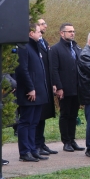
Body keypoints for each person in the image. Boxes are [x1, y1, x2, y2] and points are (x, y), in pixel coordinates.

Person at [15, 23, 49, 162]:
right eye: (38, 31)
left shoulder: (35, 46)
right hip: (29, 92)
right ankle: (25, 151)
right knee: (26, 122)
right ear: (30, 33)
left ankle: (33, 149)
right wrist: (30, 88)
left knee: (34, 122)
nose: (40, 33)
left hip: (39, 91)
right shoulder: (23, 47)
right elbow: (22, 70)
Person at [49, 23, 83, 152]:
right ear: (61, 33)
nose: (72, 33)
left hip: (77, 87)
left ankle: (72, 139)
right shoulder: (56, 49)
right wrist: (59, 87)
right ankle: (66, 141)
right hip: (65, 87)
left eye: (73, 31)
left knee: (74, 114)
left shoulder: (76, 47)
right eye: (69, 31)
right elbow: (54, 69)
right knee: (65, 114)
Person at [34, 18, 57, 157]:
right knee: (38, 116)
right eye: (42, 24)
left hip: (47, 83)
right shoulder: (32, 44)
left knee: (43, 116)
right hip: (39, 84)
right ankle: (36, 145)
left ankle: (41, 143)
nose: (45, 26)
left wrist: (53, 83)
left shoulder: (44, 41)